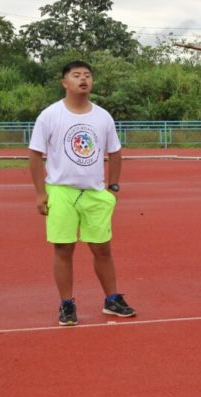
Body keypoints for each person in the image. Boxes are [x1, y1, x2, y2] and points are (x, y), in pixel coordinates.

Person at [28, 61, 135, 326]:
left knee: (102, 249)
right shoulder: (50, 115)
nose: (83, 80)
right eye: (76, 76)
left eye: (87, 75)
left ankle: (111, 299)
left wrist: (114, 187)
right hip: (61, 191)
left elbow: (115, 151)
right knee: (63, 249)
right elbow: (34, 154)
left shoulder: (102, 116)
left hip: (95, 193)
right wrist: (40, 193)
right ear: (65, 83)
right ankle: (67, 304)